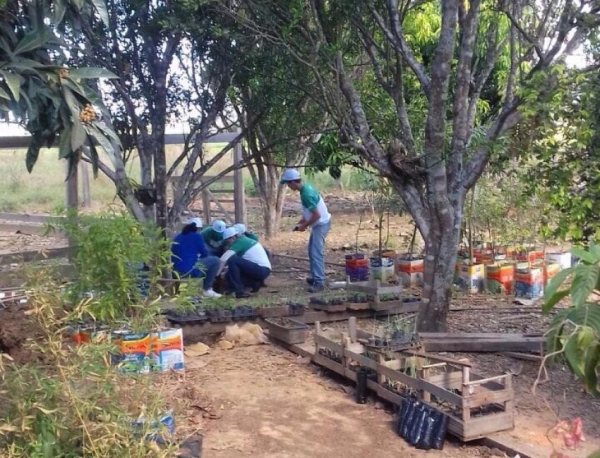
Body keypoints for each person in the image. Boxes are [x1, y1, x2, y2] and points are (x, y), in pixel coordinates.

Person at [280, 168, 331, 292]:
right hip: (319, 223)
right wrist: (302, 220)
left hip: (321, 223)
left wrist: (305, 225)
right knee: (311, 251)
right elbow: (309, 210)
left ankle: (319, 281)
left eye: (288, 183)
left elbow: (316, 215)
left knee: (316, 252)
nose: (288, 186)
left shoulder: (306, 193)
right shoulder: (305, 189)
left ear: (293, 182)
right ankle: (315, 277)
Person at [171, 217, 222, 298]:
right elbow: (205, 254)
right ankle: (207, 289)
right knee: (215, 260)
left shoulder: (177, 236)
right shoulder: (197, 236)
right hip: (188, 272)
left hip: (175, 271)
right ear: (199, 228)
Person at [218, 227, 271, 299]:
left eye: (227, 241)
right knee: (228, 274)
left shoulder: (240, 242)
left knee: (232, 260)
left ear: (232, 237)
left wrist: (216, 274)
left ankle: (238, 291)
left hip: (261, 269)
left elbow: (223, 259)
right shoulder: (246, 240)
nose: (227, 244)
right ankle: (254, 283)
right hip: (260, 269)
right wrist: (225, 270)